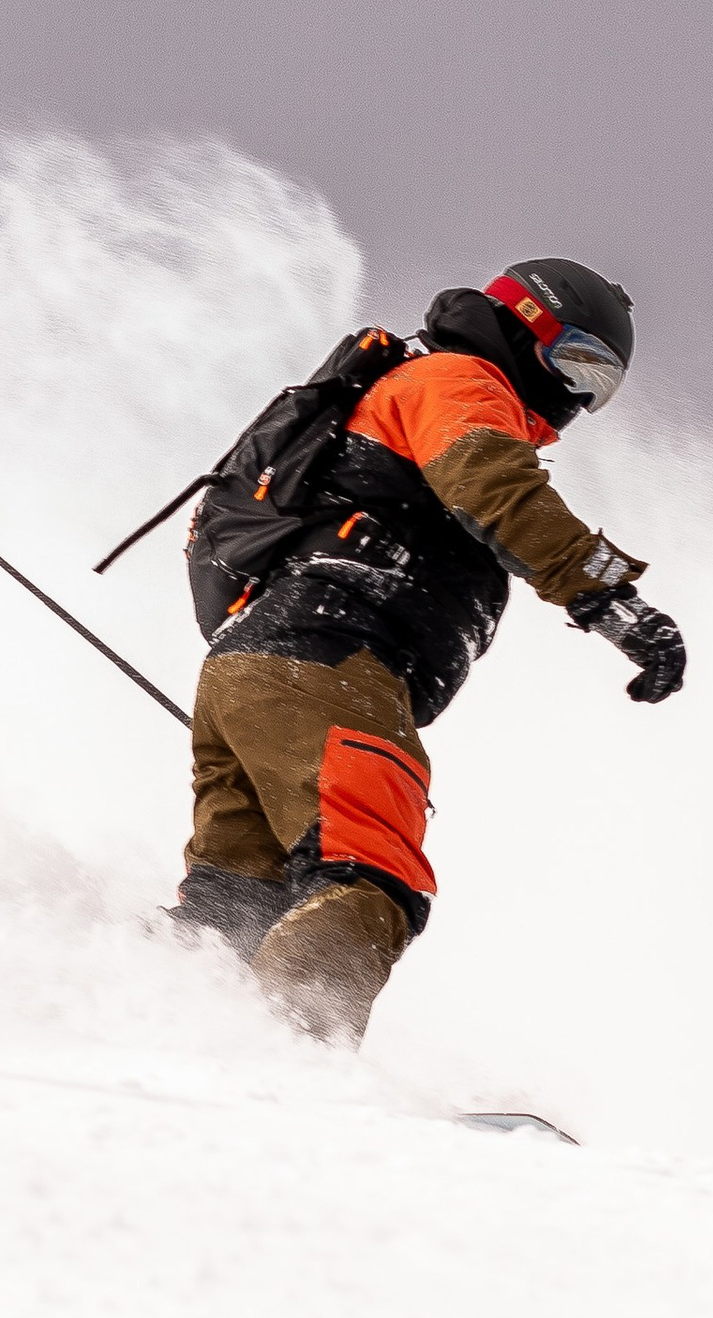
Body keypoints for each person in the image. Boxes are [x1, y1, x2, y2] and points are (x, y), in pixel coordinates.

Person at [172, 259, 685, 1046]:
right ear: (531, 327)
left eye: (600, 387)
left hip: (263, 670)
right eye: (579, 365)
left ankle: (150, 1024)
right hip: (333, 659)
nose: (579, 397)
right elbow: (497, 488)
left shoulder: (419, 386)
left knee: (236, 911)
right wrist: (612, 599)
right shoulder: (461, 382)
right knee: (368, 875)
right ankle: (290, 1064)